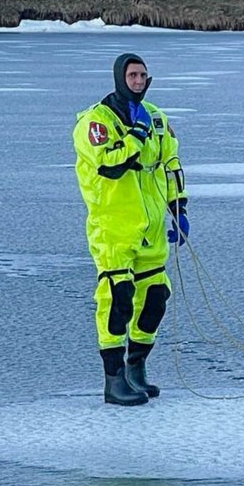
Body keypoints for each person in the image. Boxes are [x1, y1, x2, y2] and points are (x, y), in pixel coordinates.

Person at [73, 53, 189, 406]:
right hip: (113, 226)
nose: (138, 81)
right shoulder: (95, 122)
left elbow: (170, 163)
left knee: (155, 298)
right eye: (132, 75)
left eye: (143, 75)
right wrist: (135, 134)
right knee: (117, 299)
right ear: (119, 79)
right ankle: (114, 379)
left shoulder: (156, 117)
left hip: (151, 227)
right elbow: (111, 164)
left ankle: (137, 366)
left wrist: (178, 207)